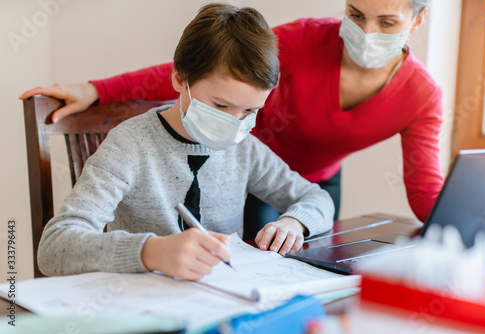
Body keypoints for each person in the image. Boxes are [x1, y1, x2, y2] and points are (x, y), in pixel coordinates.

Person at [21, 0, 443, 237]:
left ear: (416, 21)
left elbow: (421, 188)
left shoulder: (422, 95)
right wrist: (98, 89)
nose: (366, 32)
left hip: (282, 172)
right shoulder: (133, 144)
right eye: (355, 14)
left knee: (283, 250)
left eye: (387, 22)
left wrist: (464, 229)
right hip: (248, 166)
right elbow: (208, 68)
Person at [36, 3, 334, 279]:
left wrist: (295, 222)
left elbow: (317, 199)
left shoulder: (244, 149)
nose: (234, 122)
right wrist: (150, 252)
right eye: (220, 106)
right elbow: (55, 246)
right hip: (140, 303)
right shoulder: (130, 145)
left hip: (222, 298)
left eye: (249, 111)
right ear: (180, 79)